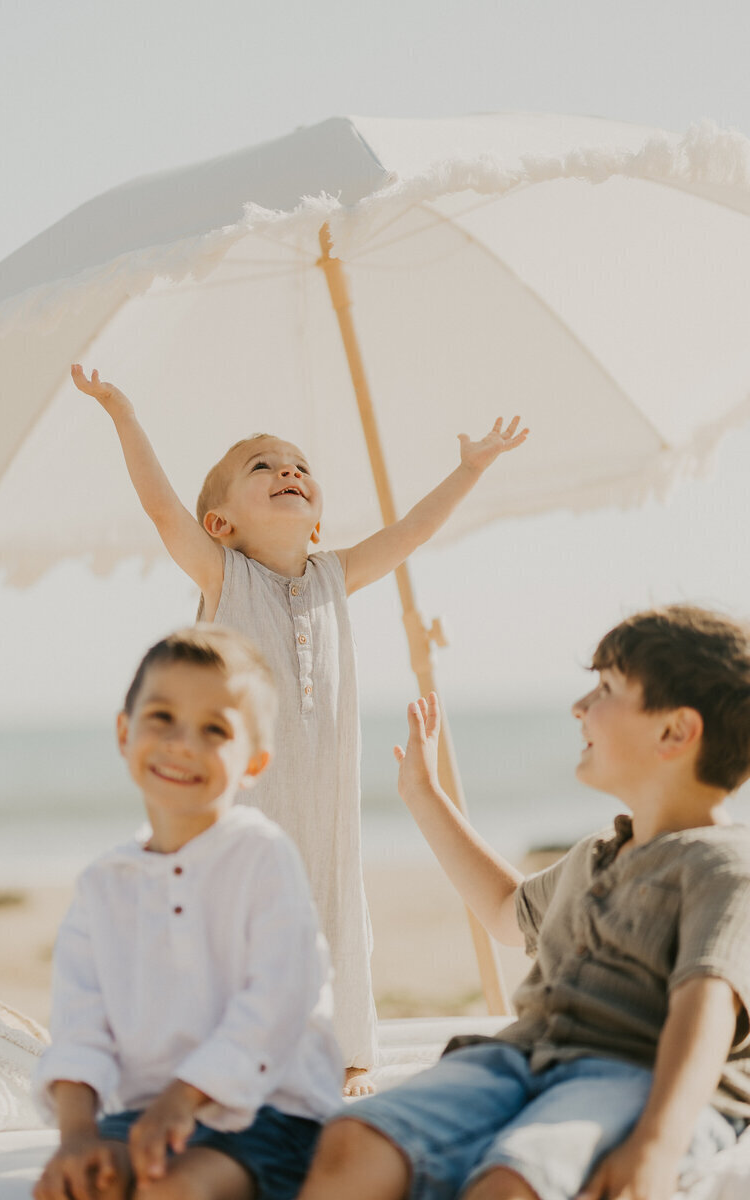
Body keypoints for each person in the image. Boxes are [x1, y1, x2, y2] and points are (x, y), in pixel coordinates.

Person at [70, 362, 529, 1094]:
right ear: (222, 523)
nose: (288, 470)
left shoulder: (334, 576)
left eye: (300, 466)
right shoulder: (223, 575)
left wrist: (468, 469)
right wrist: (122, 412)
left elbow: (411, 532)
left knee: (337, 907)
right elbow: (162, 511)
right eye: (263, 466)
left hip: (329, 807)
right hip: (250, 805)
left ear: (317, 517)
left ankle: (346, 1052)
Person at [298, 605, 750, 1200]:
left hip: (632, 1075)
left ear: (674, 732)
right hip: (518, 1059)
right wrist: (423, 795)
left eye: (606, 689)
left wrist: (657, 1144)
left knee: (515, 1184)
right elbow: (507, 910)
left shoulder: (724, 866)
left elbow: (706, 1012)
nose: (579, 707)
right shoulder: (597, 854)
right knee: (350, 1143)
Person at [33, 626, 344, 1200]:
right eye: (162, 718)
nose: (183, 743)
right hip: (144, 1119)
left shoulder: (262, 856)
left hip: (270, 1114)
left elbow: (275, 1003)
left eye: (215, 730)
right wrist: (76, 1136)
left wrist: (184, 1097)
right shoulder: (102, 885)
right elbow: (81, 1026)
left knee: (171, 1192)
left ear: (254, 762)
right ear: (125, 732)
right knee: (76, 1187)